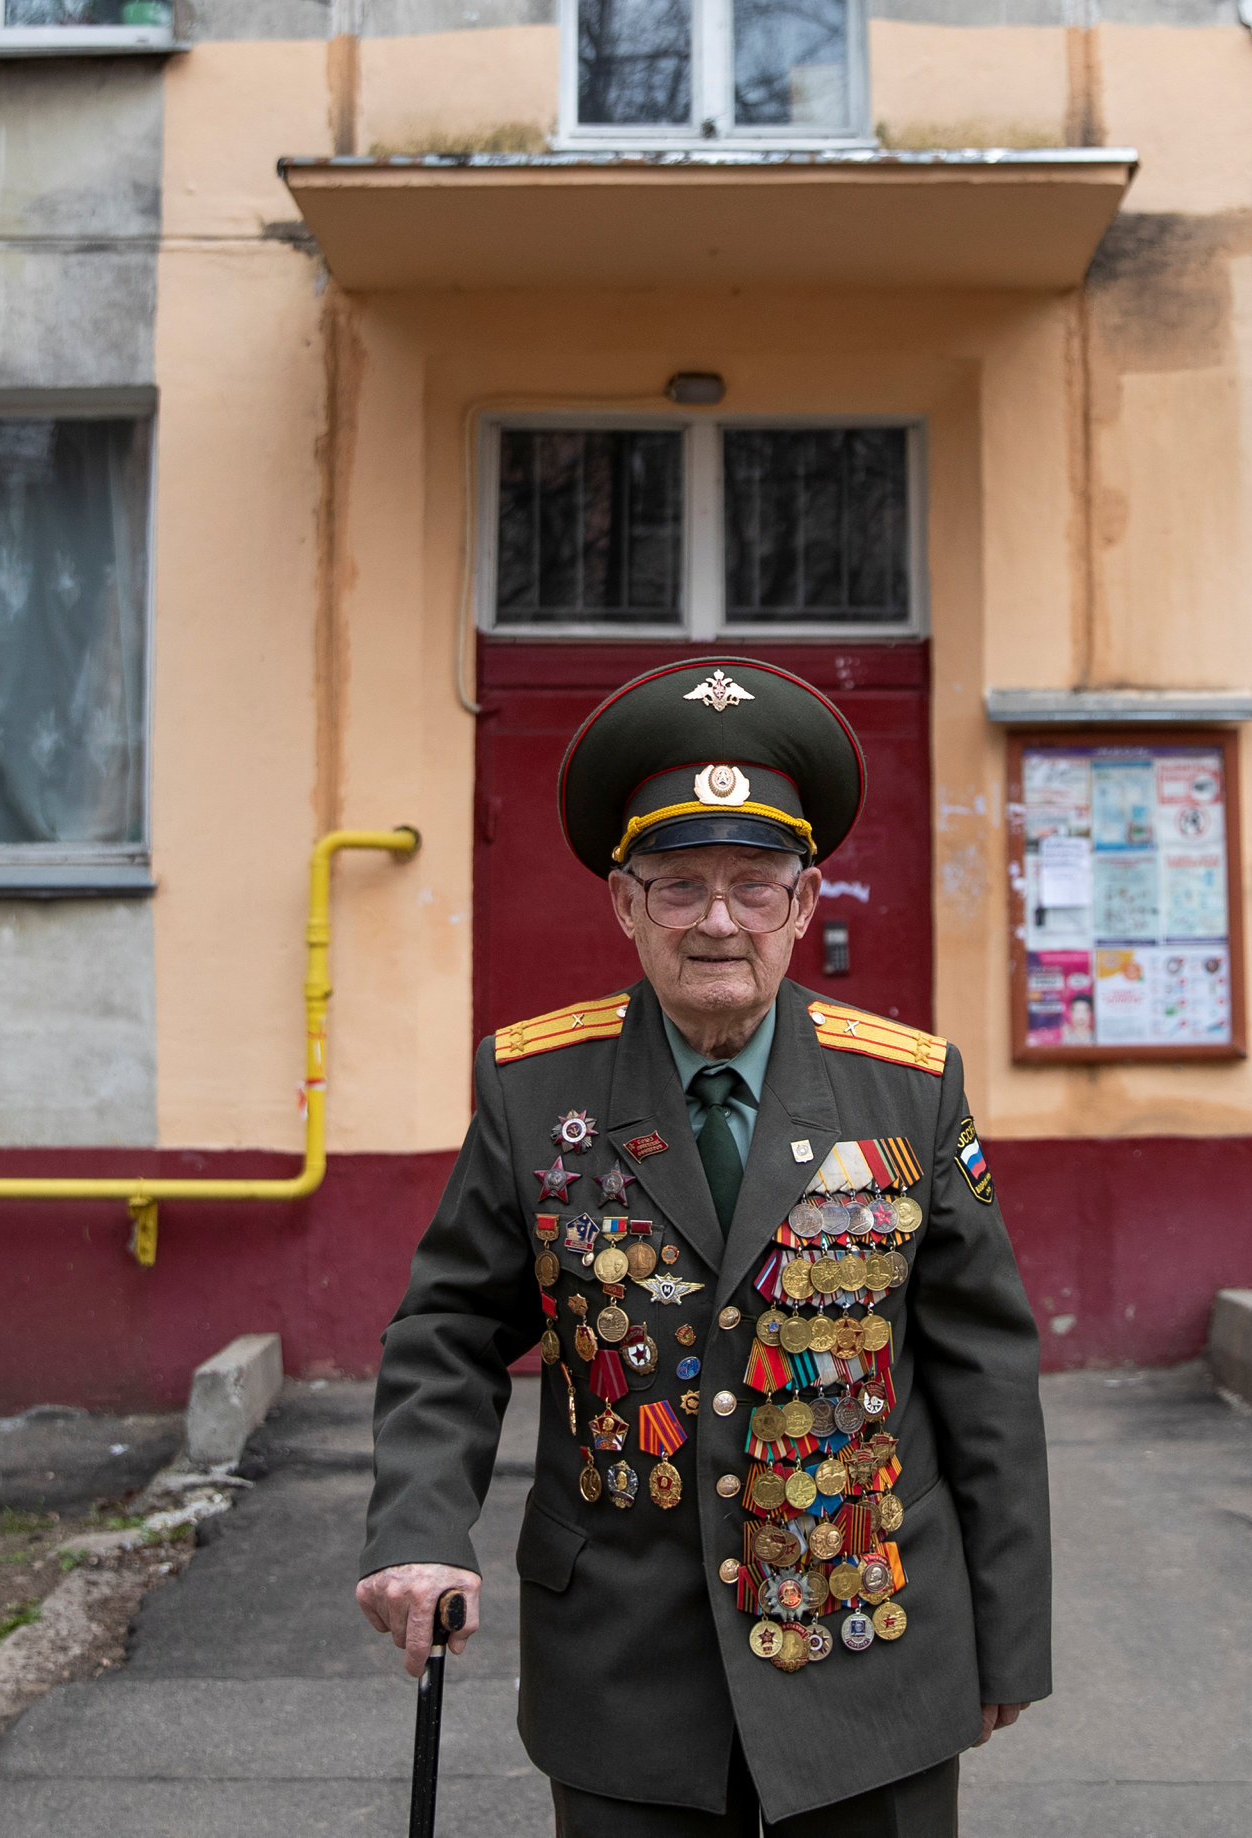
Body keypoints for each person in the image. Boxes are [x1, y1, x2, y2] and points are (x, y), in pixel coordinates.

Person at [360, 657, 1052, 1835]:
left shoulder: (909, 1090)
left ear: (807, 902)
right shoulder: (536, 1089)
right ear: (624, 905)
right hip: (627, 1669)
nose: (717, 922)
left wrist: (1004, 1642)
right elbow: (451, 1329)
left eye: (753, 885)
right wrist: (421, 1533)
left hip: (864, 1637)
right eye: (678, 887)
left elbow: (984, 1371)